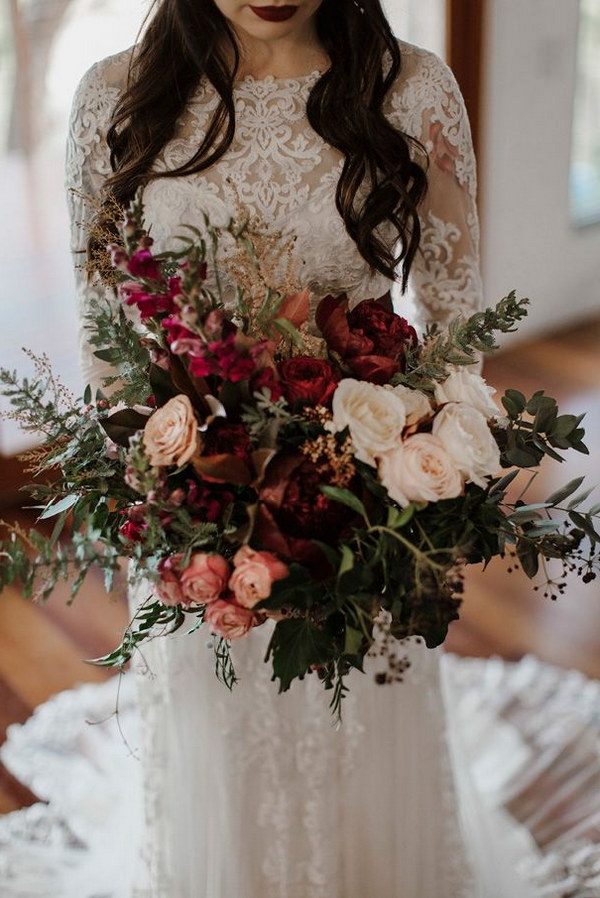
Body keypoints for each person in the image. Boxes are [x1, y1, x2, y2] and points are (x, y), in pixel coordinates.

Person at [1, 2, 598, 896]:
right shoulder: (115, 100)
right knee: (221, 743)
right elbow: (107, 342)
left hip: (360, 506)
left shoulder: (413, 90)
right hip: (194, 508)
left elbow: (458, 325)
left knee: (355, 727)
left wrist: (410, 472)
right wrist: (171, 499)